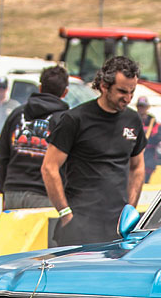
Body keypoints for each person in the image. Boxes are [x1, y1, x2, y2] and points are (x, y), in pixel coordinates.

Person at [41, 56, 146, 246]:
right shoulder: (75, 119)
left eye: (132, 92)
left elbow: (137, 167)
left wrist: (130, 210)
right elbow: (49, 167)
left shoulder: (133, 120)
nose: (128, 98)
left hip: (117, 227)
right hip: (79, 224)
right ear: (104, 86)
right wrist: (66, 214)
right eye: (122, 91)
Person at [0, 65, 69, 209]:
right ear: (65, 92)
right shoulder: (66, 121)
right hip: (47, 195)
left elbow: (1, 158)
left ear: (40, 88)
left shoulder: (17, 114)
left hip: (13, 192)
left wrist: (4, 189)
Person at [136, 96, 161, 179]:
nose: (141, 109)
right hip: (135, 153)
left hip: (149, 153)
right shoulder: (133, 119)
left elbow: (157, 136)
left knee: (146, 177)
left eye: (143, 106)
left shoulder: (152, 121)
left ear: (147, 107)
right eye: (140, 106)